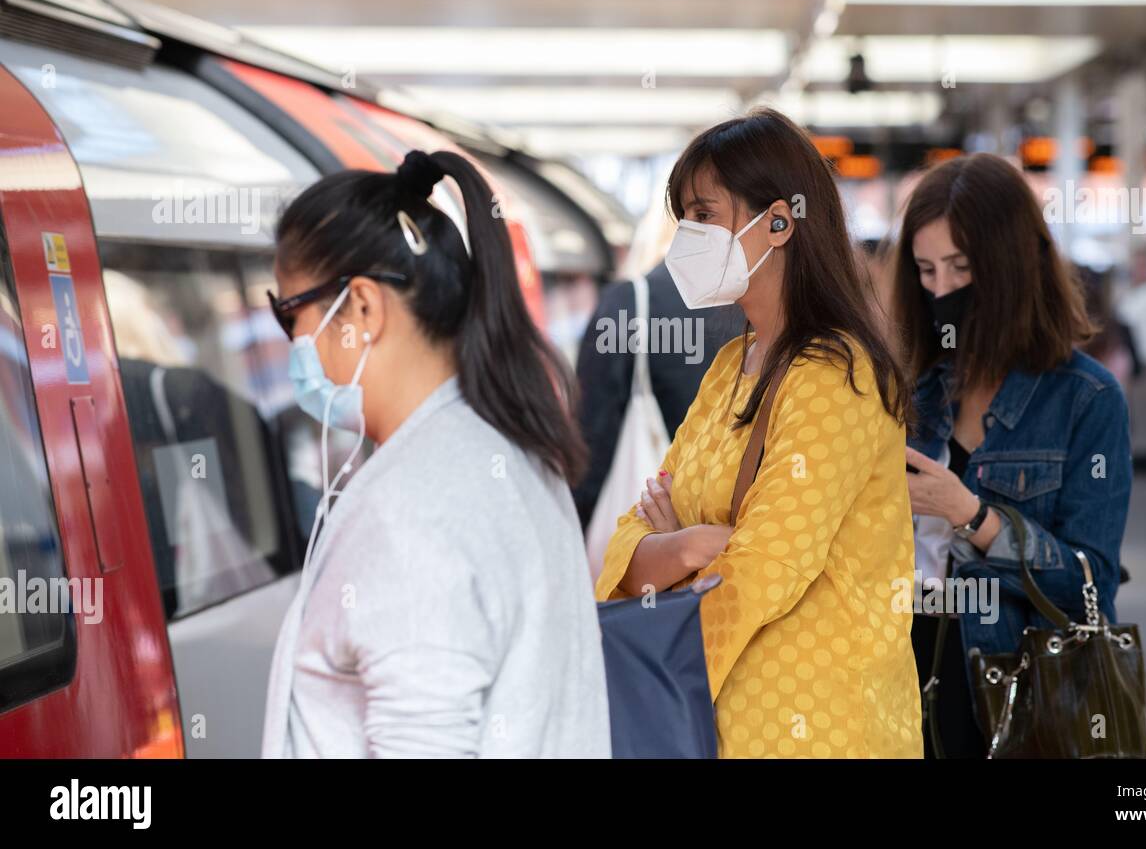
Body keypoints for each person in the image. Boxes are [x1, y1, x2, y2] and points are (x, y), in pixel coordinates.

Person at [594, 108, 921, 759]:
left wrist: (657, 679)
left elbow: (764, 569)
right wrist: (689, 545)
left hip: (818, 732)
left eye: (703, 214)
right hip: (718, 725)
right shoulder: (728, 368)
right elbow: (628, 537)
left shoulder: (836, 377)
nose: (686, 235)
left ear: (778, 221)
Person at [261, 149, 610, 758]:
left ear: (362, 308)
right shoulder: (513, 450)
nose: (291, 342)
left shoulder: (410, 512)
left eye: (289, 312)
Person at [891, 153, 1133, 758]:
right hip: (899, 675)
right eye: (924, 271)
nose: (940, 291)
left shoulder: (1086, 398)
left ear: (1011, 267)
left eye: (960, 268)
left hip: (1016, 682)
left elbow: (1091, 587)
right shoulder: (912, 392)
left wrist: (976, 519)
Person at [572, 260, 745, 532]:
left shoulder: (629, 302)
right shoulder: (762, 303)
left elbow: (591, 438)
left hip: (649, 528)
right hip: (746, 534)